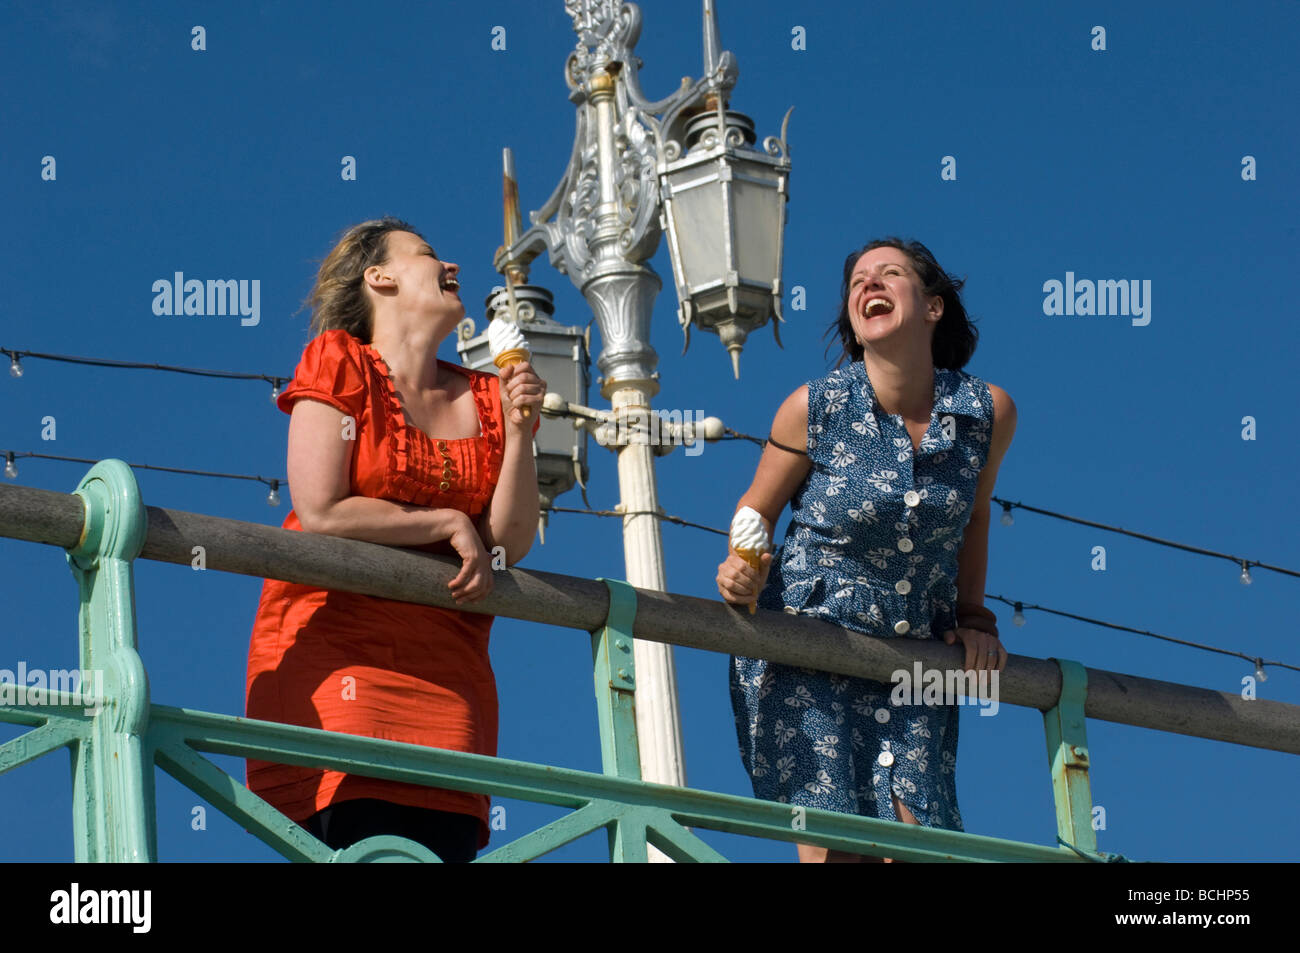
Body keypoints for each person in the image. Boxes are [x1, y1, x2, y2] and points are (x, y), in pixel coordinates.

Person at [245, 217, 545, 862]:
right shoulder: (339, 361)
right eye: (430, 254)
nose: (453, 266)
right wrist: (441, 522)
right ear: (378, 277)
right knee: (359, 840)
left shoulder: (490, 395)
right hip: (341, 656)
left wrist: (521, 433)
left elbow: (507, 545)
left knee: (446, 840)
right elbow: (321, 507)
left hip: (452, 668)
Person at [716, 238, 1017, 863]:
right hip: (808, 642)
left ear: (933, 307)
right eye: (857, 280)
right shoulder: (814, 407)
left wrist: (973, 618)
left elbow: (975, 514)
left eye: (889, 274)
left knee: (917, 840)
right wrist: (740, 573)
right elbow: (756, 510)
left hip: (917, 653)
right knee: (838, 847)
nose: (867, 285)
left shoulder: (987, 412)